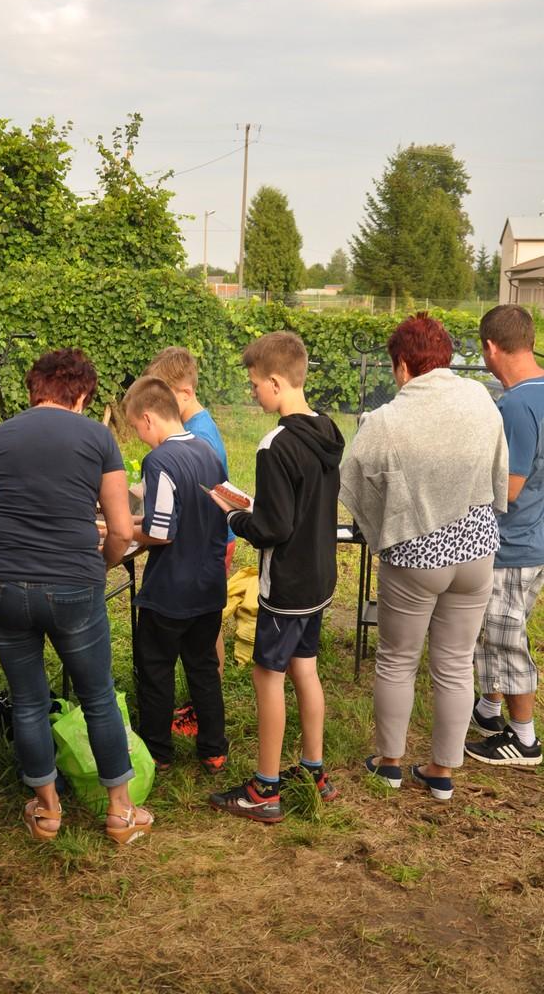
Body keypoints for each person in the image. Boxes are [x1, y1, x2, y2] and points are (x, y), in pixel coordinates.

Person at [0, 348, 153, 844]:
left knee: (29, 700)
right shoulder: (97, 436)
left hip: (0, 579)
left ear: (35, 390)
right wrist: (102, 564)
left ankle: (47, 811)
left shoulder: (0, 436)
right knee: (97, 696)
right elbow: (121, 529)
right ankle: (120, 813)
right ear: (81, 395)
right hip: (72, 581)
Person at [340, 314, 509, 800]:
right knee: (455, 664)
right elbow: (498, 465)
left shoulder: (386, 419)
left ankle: (390, 764)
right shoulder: (480, 399)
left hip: (416, 555)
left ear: (403, 364)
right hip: (477, 550)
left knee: (397, 660)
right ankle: (441, 773)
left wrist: (387, 523)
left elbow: (355, 479)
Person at [209, 331, 344, 823]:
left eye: (253, 385)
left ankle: (265, 788)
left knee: (268, 675)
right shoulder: (328, 429)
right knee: (305, 668)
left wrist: (232, 515)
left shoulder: (275, 444)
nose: (252, 393)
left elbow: (273, 528)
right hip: (319, 578)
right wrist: (258, 509)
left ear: (274, 382)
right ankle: (313, 771)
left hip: (286, 584)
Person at [121, 375, 229, 774]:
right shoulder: (207, 452)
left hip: (169, 592)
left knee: (156, 669)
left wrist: (124, 530)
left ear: (148, 418)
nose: (139, 436)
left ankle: (158, 752)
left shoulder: (159, 461)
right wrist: (139, 521)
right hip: (208, 586)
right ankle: (213, 749)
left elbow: (161, 532)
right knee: (203, 667)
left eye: (136, 428)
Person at [465, 304, 544, 767]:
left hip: (512, 543)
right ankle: (489, 709)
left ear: (491, 348)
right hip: (535, 536)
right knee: (497, 629)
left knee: (504, 636)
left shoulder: (516, 405)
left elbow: (507, 490)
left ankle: (524, 738)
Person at [143, 346, 235, 737]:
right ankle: (207, 720)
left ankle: (198, 711)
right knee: (202, 635)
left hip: (202, 547)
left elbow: (186, 509)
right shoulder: (197, 430)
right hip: (205, 546)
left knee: (199, 639)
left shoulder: (198, 437)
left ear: (183, 393)